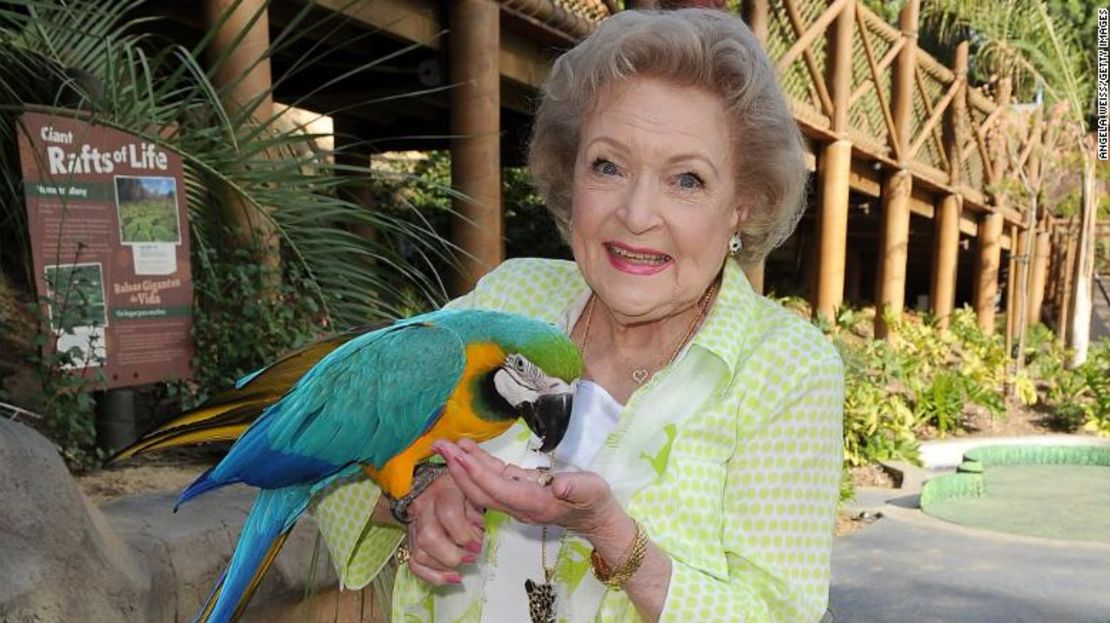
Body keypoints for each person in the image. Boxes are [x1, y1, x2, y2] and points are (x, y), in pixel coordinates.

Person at [312, 7, 844, 623]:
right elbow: (334, 446)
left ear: (742, 205)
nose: (638, 213)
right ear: (572, 172)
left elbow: (780, 615)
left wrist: (611, 533)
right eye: (609, 166)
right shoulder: (507, 302)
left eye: (688, 180)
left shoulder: (787, 369)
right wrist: (418, 496)